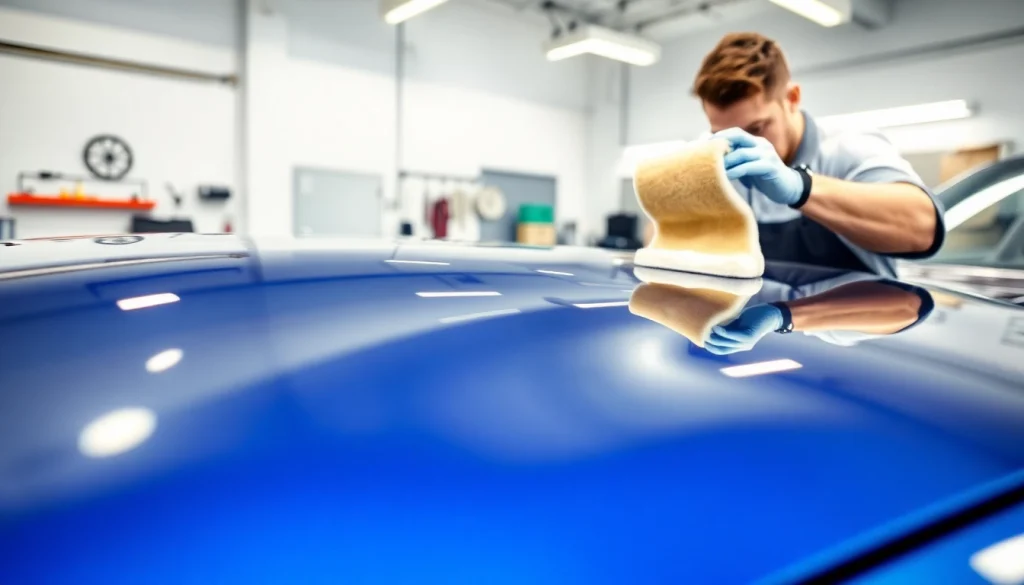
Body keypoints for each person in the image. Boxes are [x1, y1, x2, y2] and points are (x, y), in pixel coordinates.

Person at [692, 32, 945, 276]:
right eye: (723, 134)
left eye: (757, 128)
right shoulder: (724, 161)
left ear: (792, 98)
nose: (743, 145)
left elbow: (923, 227)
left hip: (860, 316)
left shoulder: (848, 147)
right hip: (769, 317)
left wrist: (800, 187)